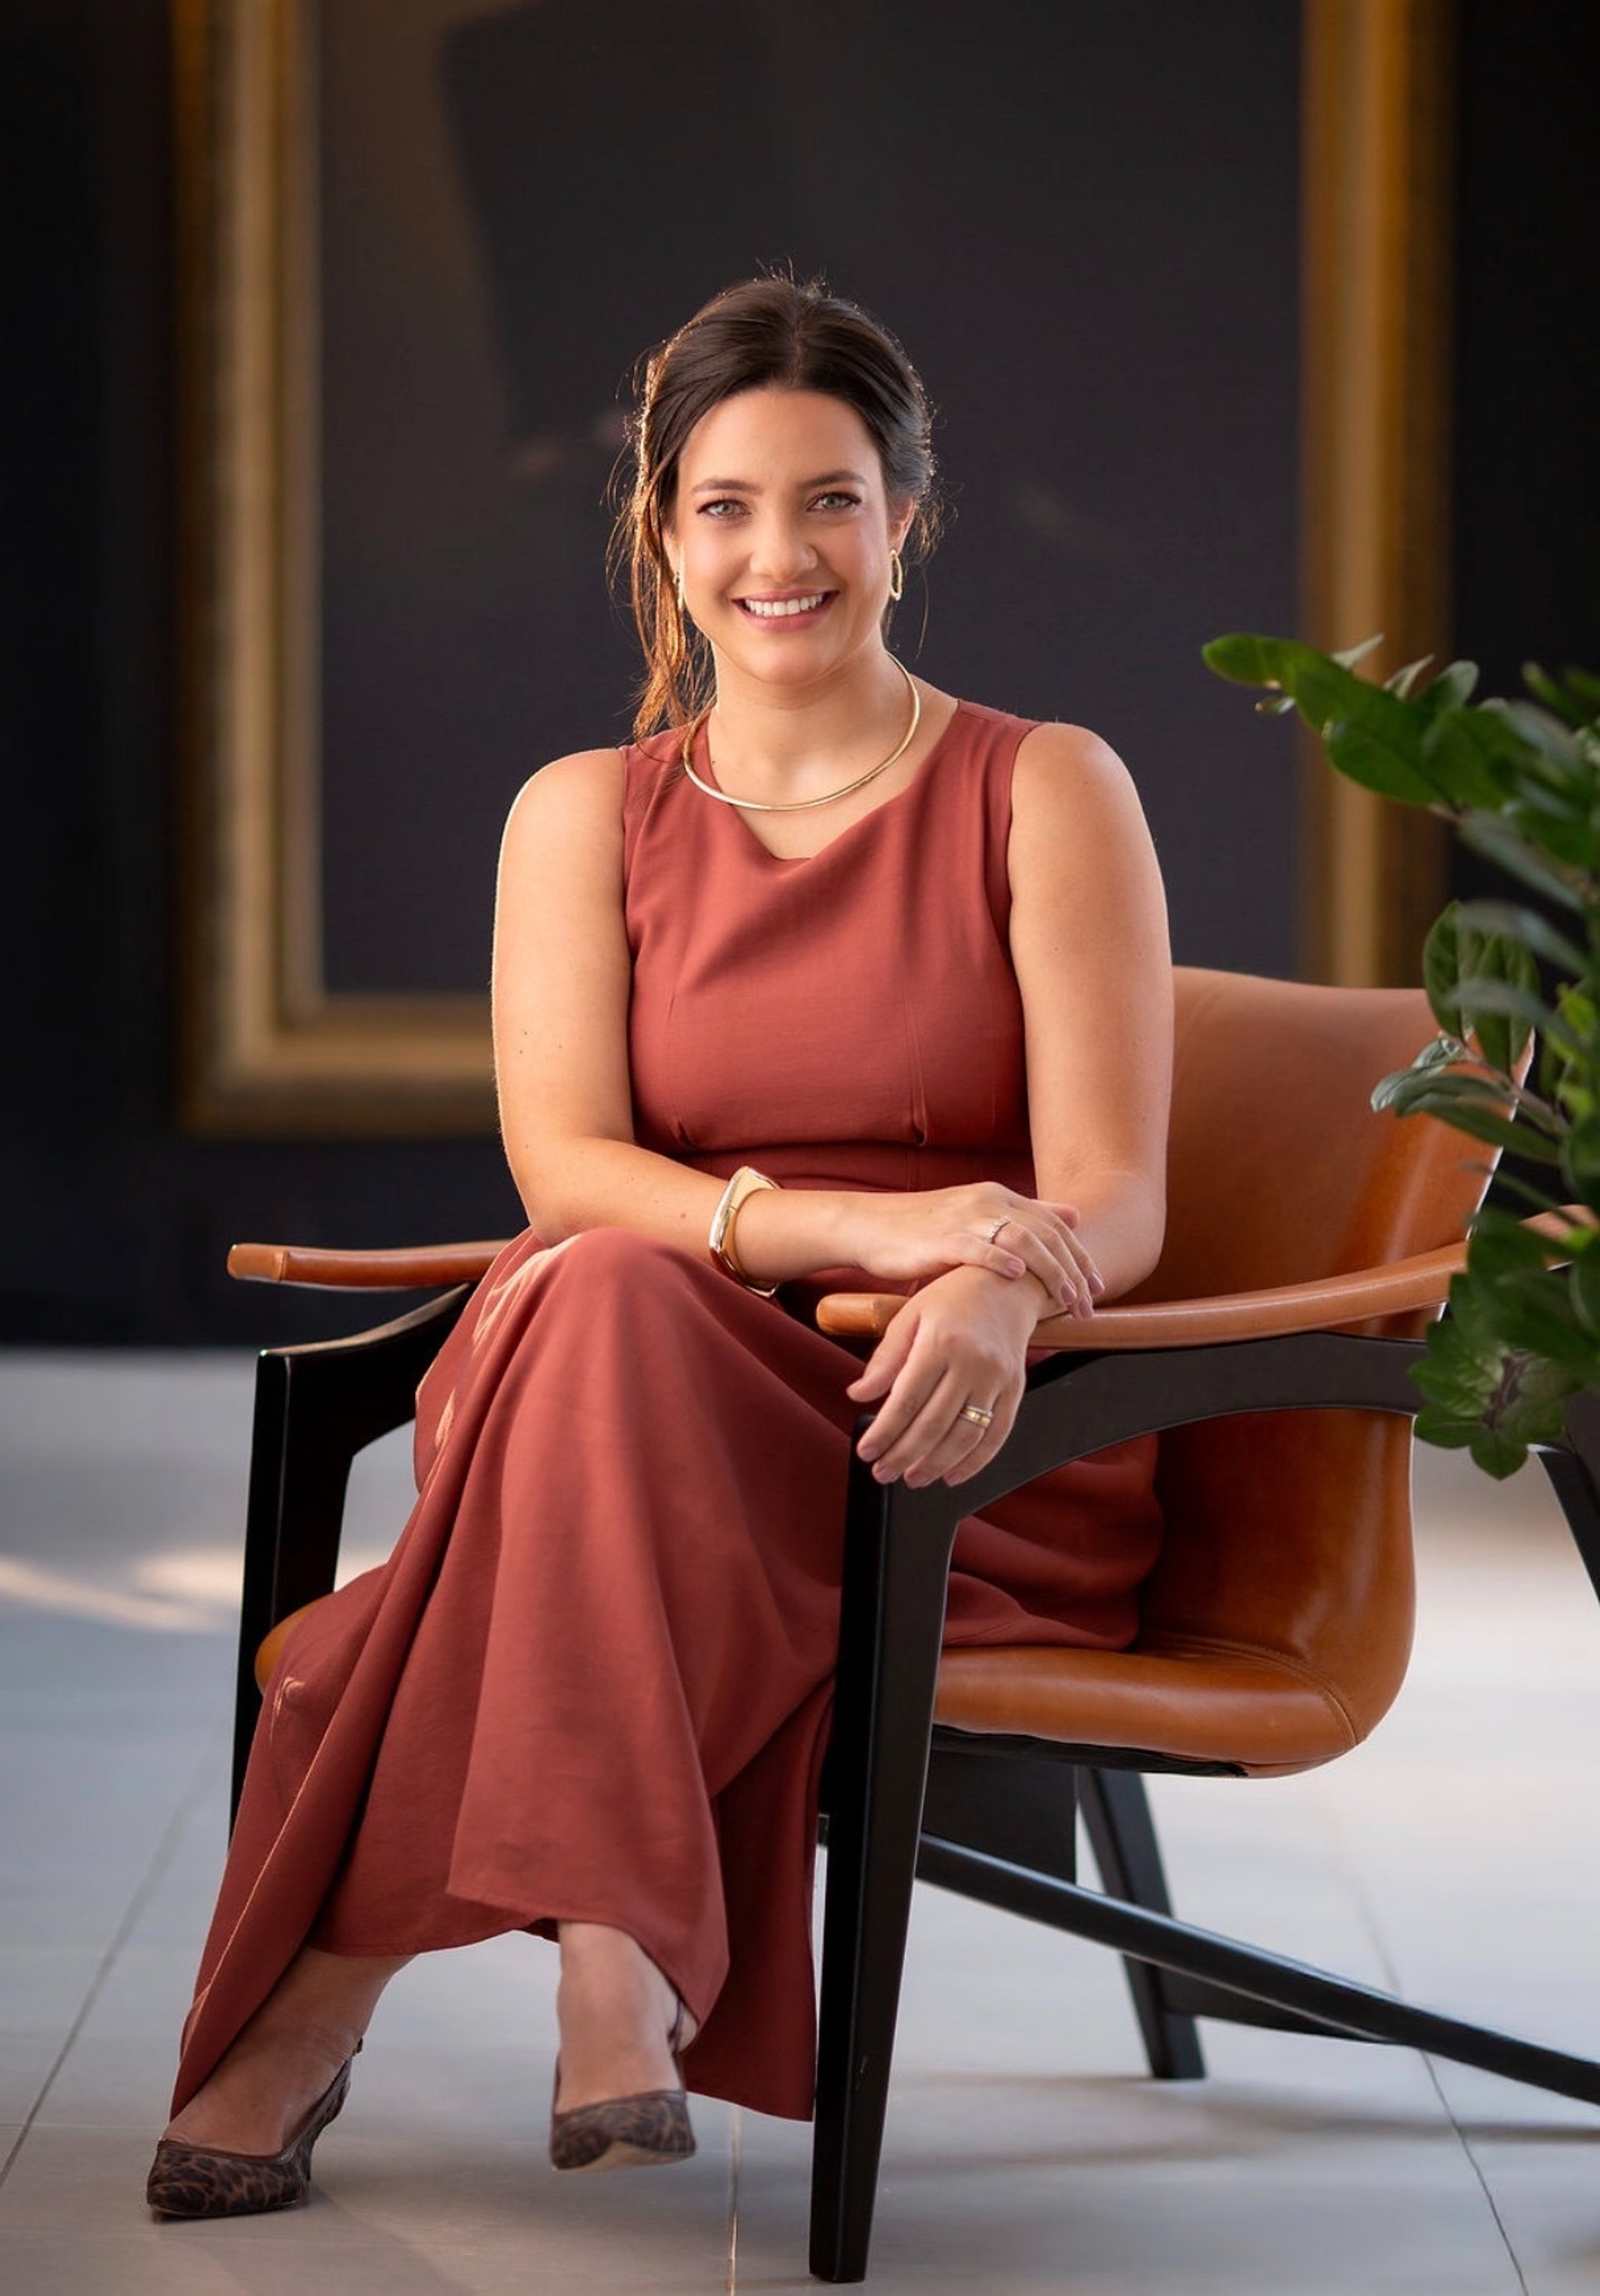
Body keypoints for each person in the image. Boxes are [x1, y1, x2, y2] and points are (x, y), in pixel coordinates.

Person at [145, 274, 1172, 2216]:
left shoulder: (1046, 784)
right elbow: (567, 1167)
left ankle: (328, 2008)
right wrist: (878, 1211)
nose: (778, 554)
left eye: (832, 500)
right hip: (645, 1362)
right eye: (723, 505)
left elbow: (1119, 1188)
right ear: (657, 528)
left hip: (940, 1427)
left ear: (909, 514)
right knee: (603, 1284)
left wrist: (993, 1274)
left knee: (559, 1369)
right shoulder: (580, 814)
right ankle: (613, 1934)